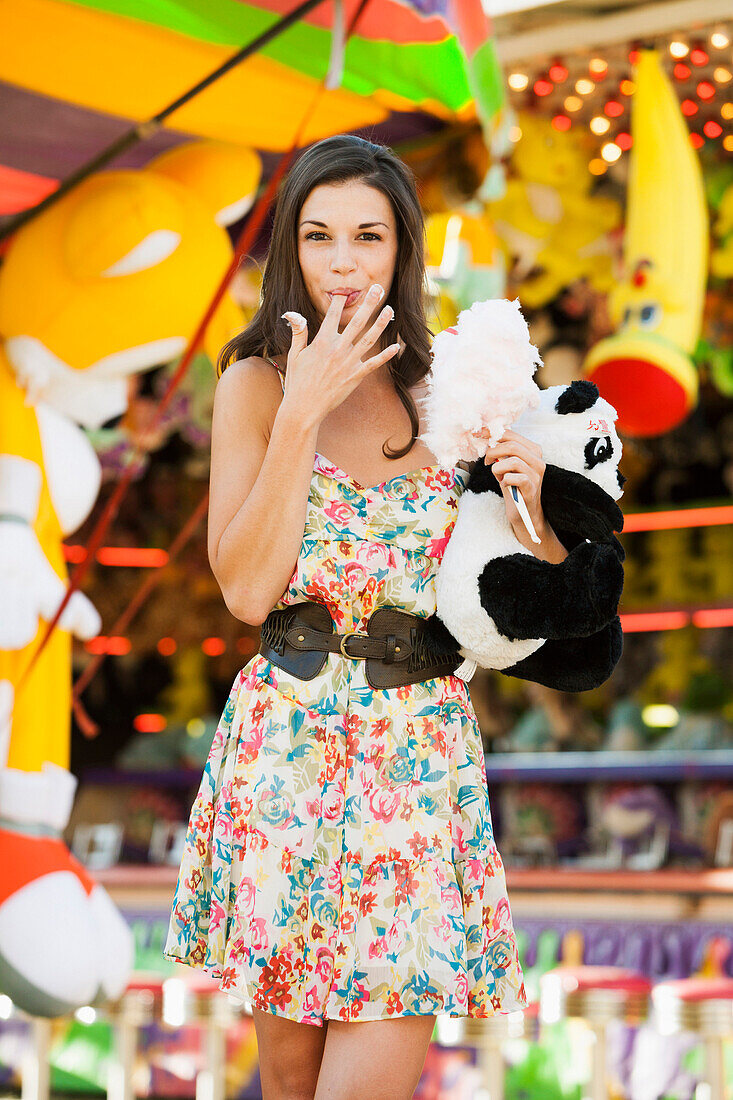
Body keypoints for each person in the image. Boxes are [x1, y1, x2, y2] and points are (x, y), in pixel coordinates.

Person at [165, 135, 566, 1100]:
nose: (343, 261)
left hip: (414, 759)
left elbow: (528, 616)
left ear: (402, 251)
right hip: (284, 747)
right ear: (290, 251)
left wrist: (541, 515)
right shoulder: (255, 383)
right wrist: (302, 413)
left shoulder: (457, 392)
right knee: (290, 1083)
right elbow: (247, 592)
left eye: (368, 237)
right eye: (319, 236)